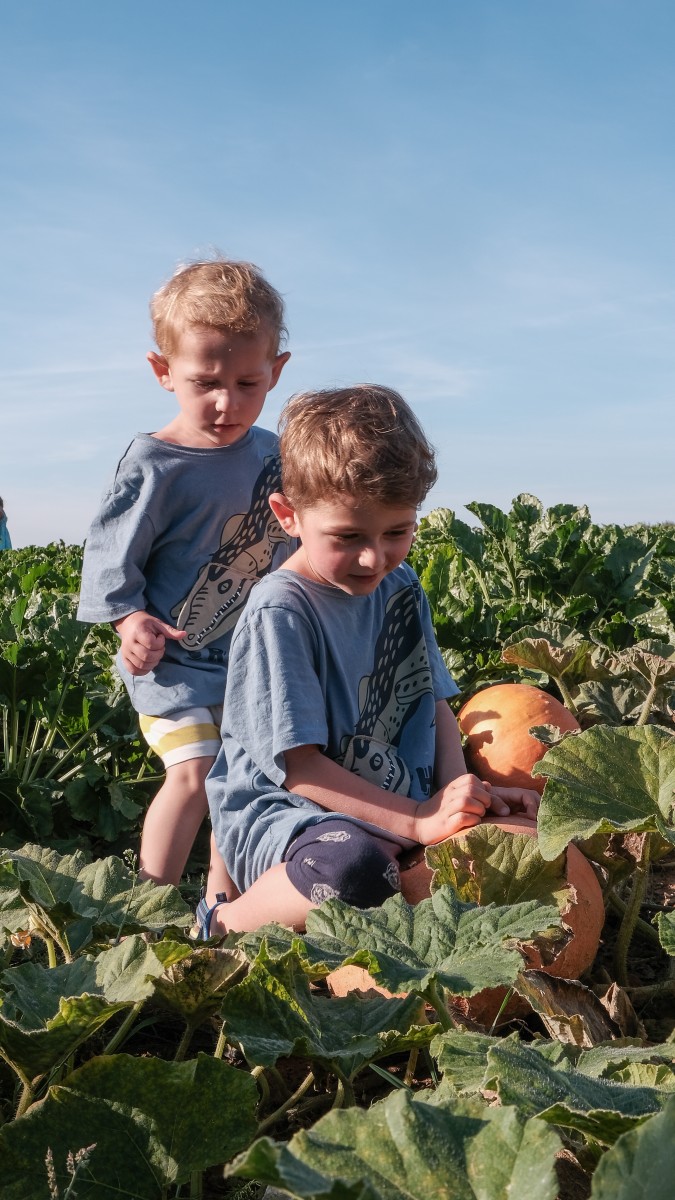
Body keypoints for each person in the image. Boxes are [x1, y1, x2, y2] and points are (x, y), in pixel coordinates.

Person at [202, 384, 539, 937]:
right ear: (288, 516)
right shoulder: (281, 610)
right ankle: (223, 922)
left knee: (529, 831)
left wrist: (459, 795)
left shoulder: (401, 586)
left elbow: (432, 706)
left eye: (397, 532)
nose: (372, 557)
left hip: (396, 805)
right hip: (294, 816)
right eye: (348, 535)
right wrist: (416, 820)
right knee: (357, 869)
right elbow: (299, 769)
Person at [77, 258, 292, 898]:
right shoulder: (155, 464)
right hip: (172, 664)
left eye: (248, 383)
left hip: (248, 661)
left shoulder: (275, 455)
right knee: (196, 771)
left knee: (241, 779)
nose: (226, 403)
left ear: (277, 371)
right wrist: (127, 618)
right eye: (206, 382)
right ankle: (147, 901)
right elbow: (111, 556)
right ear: (163, 372)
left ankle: (221, 905)